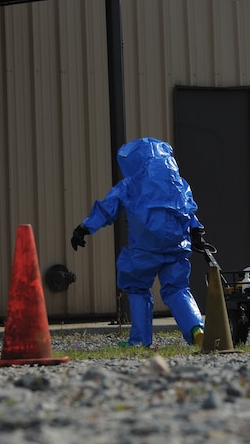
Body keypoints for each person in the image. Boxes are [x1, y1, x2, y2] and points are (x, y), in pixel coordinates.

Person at [70, 137, 207, 348]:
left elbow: (107, 208)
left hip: (144, 248)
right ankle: (196, 329)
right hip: (175, 245)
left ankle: (140, 341)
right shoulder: (177, 183)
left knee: (137, 288)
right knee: (177, 288)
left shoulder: (129, 184)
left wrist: (84, 228)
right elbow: (189, 211)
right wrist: (197, 233)